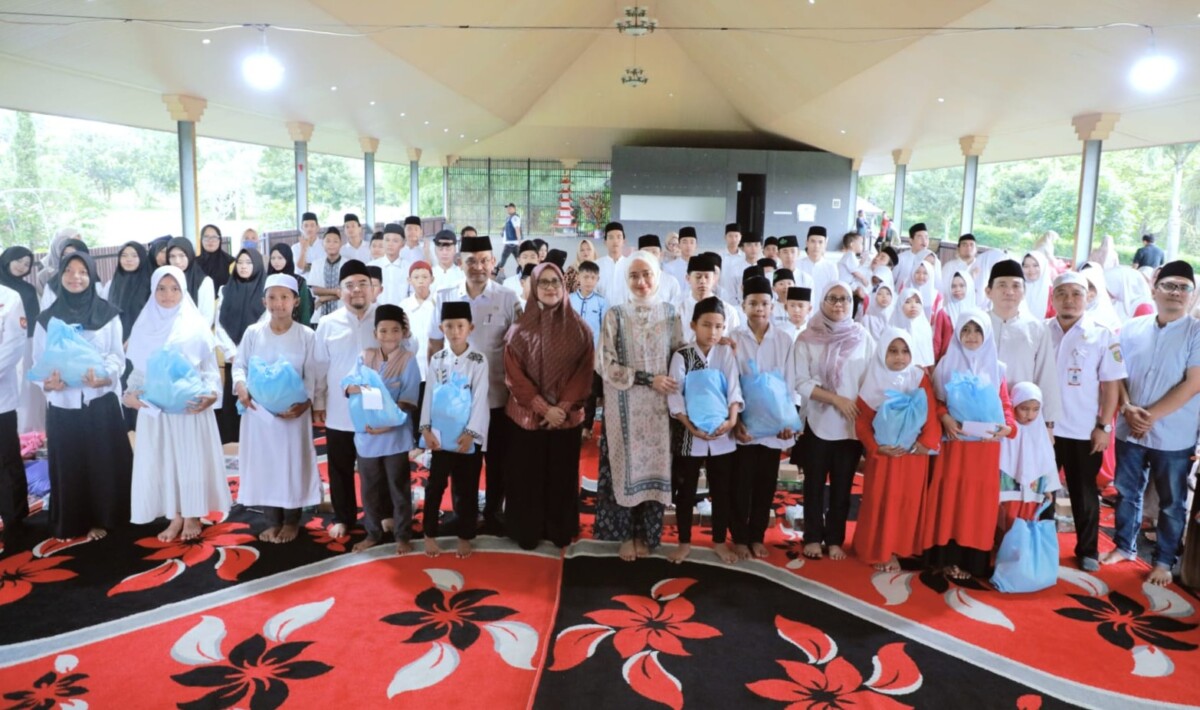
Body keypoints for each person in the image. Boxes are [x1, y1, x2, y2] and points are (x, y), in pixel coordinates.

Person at [1103, 261, 1200, 586]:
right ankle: (1123, 546)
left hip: (1174, 435)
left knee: (1172, 503)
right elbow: (1118, 373)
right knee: (1128, 491)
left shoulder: (1196, 332)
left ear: (1192, 294)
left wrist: (1150, 416)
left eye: (1183, 287)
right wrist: (1128, 408)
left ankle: (1162, 561)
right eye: (1169, 285)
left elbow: (1192, 383)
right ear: (1154, 289)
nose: (1176, 292)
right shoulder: (1132, 328)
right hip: (1130, 428)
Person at [32, 252, 132, 541]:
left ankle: (108, 517)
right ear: (60, 276)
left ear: (91, 276)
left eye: (83, 272)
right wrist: (47, 384)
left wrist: (105, 376)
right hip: (63, 405)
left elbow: (117, 356)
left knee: (103, 461)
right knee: (70, 463)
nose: (76, 277)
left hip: (99, 401)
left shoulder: (107, 313)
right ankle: (75, 520)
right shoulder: (46, 319)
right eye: (70, 271)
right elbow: (38, 361)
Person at [125, 265, 228, 541]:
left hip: (189, 408)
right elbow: (138, 371)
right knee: (165, 461)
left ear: (183, 291)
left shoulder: (194, 325)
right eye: (161, 288)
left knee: (189, 459)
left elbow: (208, 369)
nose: (167, 295)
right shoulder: (144, 324)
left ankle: (193, 514)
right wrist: (130, 394)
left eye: (174, 289)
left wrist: (212, 395)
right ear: (153, 290)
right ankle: (175, 516)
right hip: (156, 410)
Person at [428, 235, 522, 533]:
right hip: (455, 403)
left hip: (497, 396)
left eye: (484, 260)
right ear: (460, 263)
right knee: (460, 462)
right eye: (471, 261)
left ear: (493, 262)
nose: (478, 266)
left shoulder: (508, 298)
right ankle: (462, 512)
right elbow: (433, 346)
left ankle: (494, 513)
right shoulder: (444, 295)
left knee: (497, 461)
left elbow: (519, 347)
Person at [595, 252, 683, 561]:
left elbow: (681, 356)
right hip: (624, 408)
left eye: (646, 274)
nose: (641, 282)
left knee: (654, 470)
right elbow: (604, 363)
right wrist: (647, 379)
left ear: (658, 276)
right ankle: (625, 535)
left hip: (659, 410)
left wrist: (716, 344)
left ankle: (646, 534)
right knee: (624, 468)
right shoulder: (615, 315)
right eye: (634, 276)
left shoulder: (672, 314)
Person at [503, 262, 595, 550]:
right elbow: (514, 376)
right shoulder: (518, 330)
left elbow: (584, 373)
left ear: (564, 285)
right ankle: (526, 530)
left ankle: (559, 528)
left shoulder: (580, 329)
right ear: (533, 286)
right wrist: (544, 408)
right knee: (526, 476)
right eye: (543, 282)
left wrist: (562, 408)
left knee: (561, 475)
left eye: (555, 281)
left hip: (565, 420)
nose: (550, 287)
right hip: (525, 419)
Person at [924, 312, 1015, 580]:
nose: (971, 336)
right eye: (966, 330)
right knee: (951, 496)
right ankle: (946, 558)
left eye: (977, 331)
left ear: (986, 335)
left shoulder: (996, 367)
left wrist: (1009, 427)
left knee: (977, 502)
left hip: (985, 448)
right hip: (955, 444)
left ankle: (971, 560)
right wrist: (945, 417)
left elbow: (1005, 404)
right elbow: (936, 401)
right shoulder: (946, 365)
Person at [234, 273, 322, 543]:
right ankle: (272, 520)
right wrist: (241, 387)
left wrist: (305, 402)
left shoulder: (306, 335)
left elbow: (313, 374)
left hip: (292, 415)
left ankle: (292, 521)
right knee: (266, 465)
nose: (278, 303)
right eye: (272, 297)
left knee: (291, 464)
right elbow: (240, 366)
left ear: (295, 301)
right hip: (259, 415)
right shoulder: (253, 333)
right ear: (264, 301)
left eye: (284, 297)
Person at [793, 281, 873, 561]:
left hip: (851, 425)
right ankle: (813, 536)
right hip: (818, 420)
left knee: (843, 484)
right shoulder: (806, 337)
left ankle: (835, 538)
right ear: (823, 301)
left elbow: (871, 378)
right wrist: (836, 399)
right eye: (833, 298)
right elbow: (800, 382)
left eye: (845, 299)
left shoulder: (863, 336)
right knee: (814, 483)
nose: (839, 304)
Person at [853, 328, 940, 571]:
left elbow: (930, 412)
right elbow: (862, 420)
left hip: (912, 455)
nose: (899, 357)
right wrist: (876, 448)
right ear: (882, 352)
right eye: (892, 351)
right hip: (885, 456)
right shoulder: (874, 378)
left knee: (907, 502)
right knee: (881, 501)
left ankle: (901, 548)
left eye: (905, 351)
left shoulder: (918, 377)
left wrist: (925, 443)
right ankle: (879, 550)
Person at [667, 296, 743, 563]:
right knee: (685, 490)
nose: (713, 332)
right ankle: (684, 541)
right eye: (707, 325)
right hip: (690, 435)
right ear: (693, 325)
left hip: (723, 434)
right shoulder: (682, 355)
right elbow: (675, 395)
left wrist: (732, 421)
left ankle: (720, 540)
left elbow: (734, 388)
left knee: (722, 489)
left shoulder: (725, 353)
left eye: (719, 326)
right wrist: (689, 425)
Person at [347, 304, 422, 553]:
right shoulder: (365, 356)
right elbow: (348, 385)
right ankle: (372, 533)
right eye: (384, 330)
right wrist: (358, 389)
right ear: (375, 332)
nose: (389, 336)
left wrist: (386, 421)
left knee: (398, 486)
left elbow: (408, 399)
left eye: (395, 330)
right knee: (369, 488)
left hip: (395, 435)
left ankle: (402, 535)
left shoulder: (409, 361)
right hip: (367, 435)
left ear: (403, 332)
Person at [313, 260, 378, 540]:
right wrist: (318, 402)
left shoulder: (386, 318)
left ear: (373, 288)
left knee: (377, 467)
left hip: (376, 409)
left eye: (362, 283)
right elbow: (318, 367)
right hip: (339, 410)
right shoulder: (327, 324)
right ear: (340, 292)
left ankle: (381, 514)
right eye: (349, 286)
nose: (356, 290)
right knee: (339, 467)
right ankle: (344, 516)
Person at [420, 302, 491, 558]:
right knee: (435, 485)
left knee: (466, 487)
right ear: (441, 328)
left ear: (470, 328)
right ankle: (429, 533)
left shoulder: (478, 360)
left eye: (460, 325)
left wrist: (471, 433)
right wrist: (425, 429)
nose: (455, 331)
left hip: (466, 437)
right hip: (440, 436)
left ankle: (465, 535)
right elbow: (429, 393)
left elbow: (481, 397)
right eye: (449, 326)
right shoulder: (438, 359)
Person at [732, 276, 796, 558]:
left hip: (773, 427)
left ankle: (757, 536)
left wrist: (787, 423)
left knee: (765, 483)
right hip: (745, 423)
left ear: (773, 305)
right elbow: (729, 380)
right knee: (741, 483)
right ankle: (739, 537)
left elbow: (791, 384)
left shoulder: (783, 339)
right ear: (743, 305)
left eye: (765, 303)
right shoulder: (733, 338)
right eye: (753, 303)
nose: (759, 308)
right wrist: (736, 422)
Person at [986, 259, 1062, 434]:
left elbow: (1046, 375)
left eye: (1016, 286)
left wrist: (1048, 424)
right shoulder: (976, 324)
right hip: (980, 414)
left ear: (1024, 292)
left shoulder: (1036, 328)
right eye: (1002, 285)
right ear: (988, 291)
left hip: (1022, 418)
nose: (1009, 291)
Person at [214, 249, 267, 444]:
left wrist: (245, 356)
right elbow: (219, 325)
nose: (243, 266)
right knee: (232, 409)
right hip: (232, 359)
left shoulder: (265, 290)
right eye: (240, 262)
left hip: (257, 360)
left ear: (257, 265)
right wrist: (232, 354)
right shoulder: (225, 290)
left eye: (248, 262)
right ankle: (233, 451)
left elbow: (264, 325)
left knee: (256, 405)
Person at [998, 382, 1061, 533]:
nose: (1030, 415)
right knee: (1006, 521)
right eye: (1024, 409)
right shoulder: (1007, 432)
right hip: (1008, 490)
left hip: (1033, 489)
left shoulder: (1039, 432)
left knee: (1027, 522)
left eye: (1035, 410)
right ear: (1013, 406)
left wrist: (1048, 488)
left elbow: (1047, 460)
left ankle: (1022, 553)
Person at [104, 241, 153, 430]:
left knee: (141, 384)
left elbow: (152, 315)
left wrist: (133, 339)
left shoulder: (150, 283)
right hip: (118, 342)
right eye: (124, 255)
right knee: (124, 384)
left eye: (134, 255)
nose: (129, 259)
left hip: (142, 343)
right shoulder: (113, 282)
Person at [0, 246, 43, 434]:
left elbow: (34, 320)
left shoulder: (28, 289)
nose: (22, 266)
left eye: (27, 264)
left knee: (25, 391)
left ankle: (28, 434)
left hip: (24, 344)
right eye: (18, 260)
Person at [0, 275, 27, 547]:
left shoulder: (9, 298)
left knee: (5, 460)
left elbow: (14, 345)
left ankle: (14, 519)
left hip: (1, 397)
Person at [570, 260, 607, 438]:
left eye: (593, 277)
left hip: (593, 356)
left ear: (597, 279)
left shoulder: (601, 302)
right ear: (578, 277)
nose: (589, 281)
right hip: (572, 357)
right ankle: (571, 423)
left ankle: (587, 426)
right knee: (572, 391)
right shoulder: (569, 300)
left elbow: (605, 331)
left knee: (591, 392)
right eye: (585, 276)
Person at [400, 261, 436, 442]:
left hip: (434, 366)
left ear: (432, 279)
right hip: (412, 366)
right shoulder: (403, 306)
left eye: (424, 277)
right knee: (414, 406)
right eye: (416, 277)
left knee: (433, 406)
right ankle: (415, 442)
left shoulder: (438, 304)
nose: (421, 281)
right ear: (409, 280)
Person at [679, 256, 741, 344]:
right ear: (688, 278)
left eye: (707, 277)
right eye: (698, 277)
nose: (703, 281)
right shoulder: (678, 309)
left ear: (714, 279)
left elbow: (734, 343)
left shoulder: (728, 310)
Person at [167, 238, 216, 328]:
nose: (177, 261)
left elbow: (207, 318)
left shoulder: (204, 282)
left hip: (195, 336)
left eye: (182, 255)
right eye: (172, 256)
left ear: (189, 255)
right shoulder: (165, 281)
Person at [267, 243, 314, 326]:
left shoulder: (298, 281)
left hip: (294, 328)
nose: (276, 261)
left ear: (288, 258)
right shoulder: (268, 281)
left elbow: (304, 310)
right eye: (273, 258)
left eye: (280, 258)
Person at [889, 288, 935, 368]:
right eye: (907, 302)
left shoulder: (925, 327)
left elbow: (928, 356)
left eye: (917, 302)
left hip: (921, 371)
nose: (913, 305)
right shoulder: (892, 328)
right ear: (900, 304)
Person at [40, 237, 89, 311]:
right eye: (65, 255)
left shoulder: (94, 282)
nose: (69, 258)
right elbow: (45, 314)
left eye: (74, 254)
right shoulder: (52, 285)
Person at [308, 227, 345, 324]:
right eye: (328, 241)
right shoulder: (316, 264)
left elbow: (346, 292)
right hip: (319, 315)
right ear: (322, 244)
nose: (331, 244)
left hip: (342, 315)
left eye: (335, 241)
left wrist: (323, 298)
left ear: (341, 243)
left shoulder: (348, 264)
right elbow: (315, 290)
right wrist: (336, 291)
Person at [371, 223, 409, 307]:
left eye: (395, 241)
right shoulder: (371, 267)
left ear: (403, 243)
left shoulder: (409, 268)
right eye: (387, 240)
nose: (390, 244)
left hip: (401, 314)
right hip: (376, 314)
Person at [795, 227, 839, 299]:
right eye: (813, 241)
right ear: (807, 243)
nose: (816, 246)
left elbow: (833, 292)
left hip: (823, 309)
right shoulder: (797, 265)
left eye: (820, 242)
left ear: (825, 244)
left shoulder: (831, 267)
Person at [894, 223, 938, 289]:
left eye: (926, 237)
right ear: (911, 240)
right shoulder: (901, 258)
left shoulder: (932, 260)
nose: (924, 241)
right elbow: (891, 281)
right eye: (920, 237)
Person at [595, 223, 628, 303]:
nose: (615, 241)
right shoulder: (596, 265)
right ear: (605, 242)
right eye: (611, 237)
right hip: (602, 313)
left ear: (624, 241)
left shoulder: (631, 264)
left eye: (619, 237)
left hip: (626, 314)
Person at [197, 224, 234, 291]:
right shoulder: (194, 263)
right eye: (206, 237)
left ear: (220, 240)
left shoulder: (230, 262)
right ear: (201, 240)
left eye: (214, 237)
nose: (210, 240)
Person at [862, 270, 895, 341]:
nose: (884, 297)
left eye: (888, 294)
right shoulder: (867, 320)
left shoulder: (896, 317)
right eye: (879, 294)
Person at [1022, 251, 1054, 319]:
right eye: (1026, 266)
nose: (1031, 270)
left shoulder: (1053, 293)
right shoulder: (1017, 289)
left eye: (1035, 265)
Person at [497, 202, 523, 274]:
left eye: (510, 208)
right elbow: (507, 227)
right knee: (519, 259)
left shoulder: (515, 218)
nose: (508, 209)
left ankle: (496, 272)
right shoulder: (509, 218)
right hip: (512, 243)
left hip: (511, 243)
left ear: (514, 209)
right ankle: (523, 272)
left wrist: (519, 242)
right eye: (507, 208)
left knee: (503, 259)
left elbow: (517, 229)